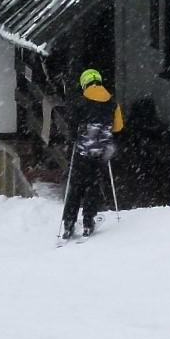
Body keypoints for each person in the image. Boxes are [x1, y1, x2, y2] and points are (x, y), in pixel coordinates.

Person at [62, 68, 124, 241]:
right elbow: (118, 127)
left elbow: (72, 126)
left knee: (76, 187)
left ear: (85, 83)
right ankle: (88, 222)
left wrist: (75, 137)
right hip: (101, 154)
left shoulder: (80, 103)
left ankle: (68, 223)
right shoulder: (112, 103)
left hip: (82, 152)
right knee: (93, 187)